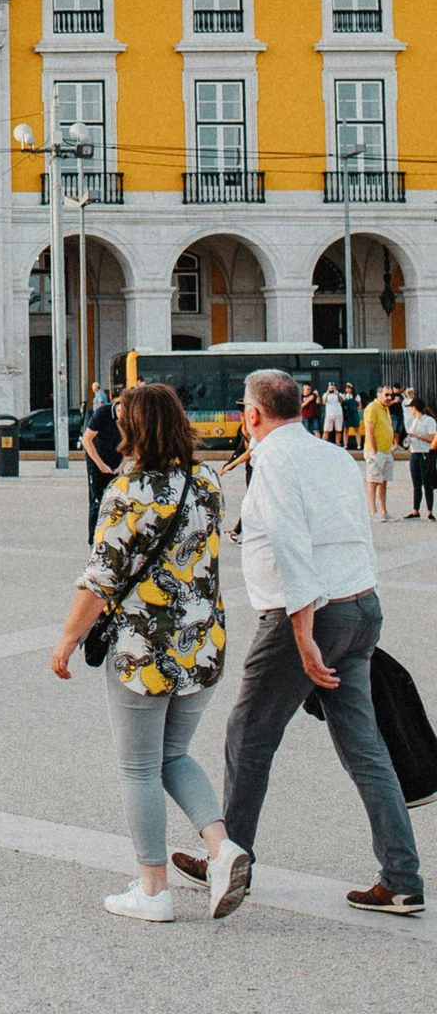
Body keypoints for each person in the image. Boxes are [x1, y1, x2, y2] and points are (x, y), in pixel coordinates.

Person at [173, 370, 424, 918]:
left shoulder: (273, 462)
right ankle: (402, 879)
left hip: (308, 616)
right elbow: (356, 533)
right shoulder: (334, 456)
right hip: (359, 604)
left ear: (253, 414)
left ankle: (229, 858)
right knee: (365, 747)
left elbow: (291, 545)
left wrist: (305, 635)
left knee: (249, 734)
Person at [49, 382, 240, 922]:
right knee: (173, 755)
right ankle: (223, 848)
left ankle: (153, 891)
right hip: (202, 642)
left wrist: (67, 640)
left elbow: (100, 580)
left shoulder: (127, 491)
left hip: (144, 647)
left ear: (133, 429)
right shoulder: (206, 480)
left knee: (138, 768)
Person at [81, 385, 121, 543]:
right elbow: (86, 440)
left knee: (117, 500)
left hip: (115, 461)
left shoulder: (132, 417)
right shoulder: (103, 412)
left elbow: (132, 444)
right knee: (96, 502)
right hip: (96, 459)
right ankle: (93, 541)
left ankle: (112, 538)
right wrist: (101, 465)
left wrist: (121, 466)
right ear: (119, 408)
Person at [361, 384, 396, 520]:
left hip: (386, 451)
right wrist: (374, 452)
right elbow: (369, 431)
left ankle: (383, 511)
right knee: (373, 481)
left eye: (391, 395)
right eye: (386, 395)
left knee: (383, 482)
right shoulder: (372, 408)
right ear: (379, 395)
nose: (389, 398)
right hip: (376, 452)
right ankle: (373, 512)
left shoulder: (385, 409)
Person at [405, 392, 437, 521]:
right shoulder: (414, 421)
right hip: (414, 452)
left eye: (411, 408)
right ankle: (415, 510)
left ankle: (429, 511)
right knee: (416, 483)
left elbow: (432, 438)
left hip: (425, 453)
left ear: (415, 408)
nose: (410, 410)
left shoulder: (428, 421)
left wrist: (418, 436)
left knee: (427, 483)